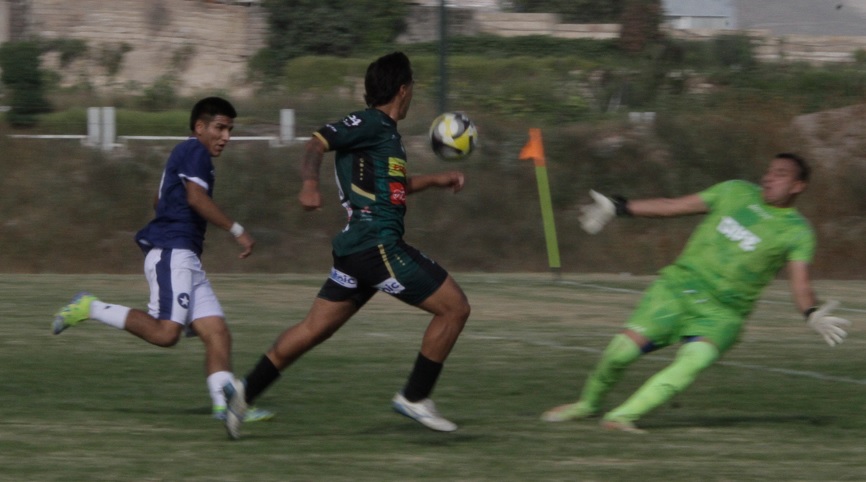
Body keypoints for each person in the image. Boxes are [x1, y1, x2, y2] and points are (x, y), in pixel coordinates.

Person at [221, 51, 471, 440]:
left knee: (312, 330)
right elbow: (317, 142)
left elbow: (394, 188)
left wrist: (437, 180)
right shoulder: (371, 122)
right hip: (378, 244)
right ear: (403, 90)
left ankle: (243, 391)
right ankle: (416, 397)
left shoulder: (385, 137)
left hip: (357, 251)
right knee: (454, 308)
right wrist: (308, 184)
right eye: (413, 88)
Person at [542, 153, 850, 433]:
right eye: (769, 171)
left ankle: (621, 418)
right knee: (618, 353)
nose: (768, 178)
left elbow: (800, 283)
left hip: (723, 314)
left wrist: (810, 313)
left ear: (799, 186)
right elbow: (673, 206)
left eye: (780, 174)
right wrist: (619, 207)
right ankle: (587, 405)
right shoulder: (734, 191)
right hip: (677, 290)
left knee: (693, 361)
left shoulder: (797, 231)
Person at [52, 96, 273, 423]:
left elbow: (160, 198)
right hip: (174, 253)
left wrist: (174, 218)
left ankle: (226, 406)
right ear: (200, 127)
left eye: (230, 129)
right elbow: (195, 198)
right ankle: (90, 307)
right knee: (166, 333)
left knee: (217, 332)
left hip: (183, 255)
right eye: (220, 128)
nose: (226, 136)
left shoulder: (185, 152)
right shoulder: (196, 151)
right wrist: (236, 229)